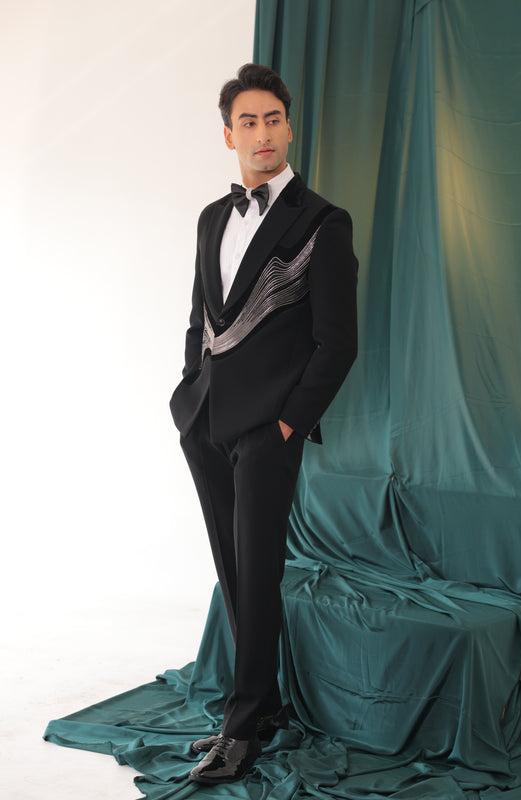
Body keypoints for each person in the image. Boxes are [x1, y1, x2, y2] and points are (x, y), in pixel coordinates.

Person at [170, 63, 358, 785]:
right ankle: (265, 703)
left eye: (272, 119)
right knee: (231, 567)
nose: (262, 132)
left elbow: (337, 344)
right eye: (247, 122)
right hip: (207, 421)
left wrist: (288, 426)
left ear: (289, 128)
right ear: (230, 136)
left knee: (258, 572)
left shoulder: (322, 223)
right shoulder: (210, 218)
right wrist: (188, 393)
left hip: (267, 432)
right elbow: (199, 316)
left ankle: (242, 729)